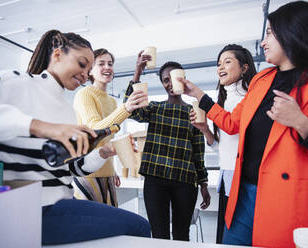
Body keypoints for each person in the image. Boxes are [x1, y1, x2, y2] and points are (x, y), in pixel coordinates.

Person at [179, 1, 308, 247]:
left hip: (289, 202)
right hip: (243, 195)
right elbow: (232, 123)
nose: (264, 42)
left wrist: (302, 124)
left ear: (293, 31)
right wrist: (199, 96)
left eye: (269, 33)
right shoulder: (261, 80)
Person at [0, 30, 151, 245]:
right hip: (26, 208)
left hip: (61, 204)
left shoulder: (66, 110)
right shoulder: (18, 83)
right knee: (140, 227)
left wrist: (105, 152)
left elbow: (71, 168)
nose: (85, 74)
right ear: (57, 54)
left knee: (135, 226)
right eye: (82, 64)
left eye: (88, 69)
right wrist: (40, 127)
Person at [123, 52, 211, 241]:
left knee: (181, 235)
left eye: (174, 79)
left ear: (183, 80)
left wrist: (203, 183)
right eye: (165, 80)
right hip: (156, 181)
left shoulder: (194, 111)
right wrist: (138, 71)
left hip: (185, 182)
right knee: (159, 235)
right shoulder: (154, 108)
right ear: (162, 83)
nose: (170, 84)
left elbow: (198, 151)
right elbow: (131, 111)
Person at [189, 44, 256, 243]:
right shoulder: (225, 101)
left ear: (244, 68)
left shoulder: (248, 98)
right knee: (225, 236)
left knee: (236, 236)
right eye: (219, 64)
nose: (220, 68)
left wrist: (199, 95)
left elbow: (231, 126)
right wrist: (204, 129)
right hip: (227, 177)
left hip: (242, 177)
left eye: (227, 62)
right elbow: (222, 147)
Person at [73, 48, 147, 206]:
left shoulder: (112, 102)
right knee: (92, 226)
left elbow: (107, 139)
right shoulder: (84, 94)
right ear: (90, 71)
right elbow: (95, 130)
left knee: (108, 227)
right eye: (101, 63)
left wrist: (111, 170)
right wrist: (126, 109)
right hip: (88, 173)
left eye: (110, 63)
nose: (107, 67)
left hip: (106, 172)